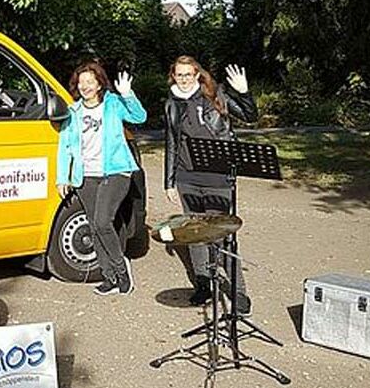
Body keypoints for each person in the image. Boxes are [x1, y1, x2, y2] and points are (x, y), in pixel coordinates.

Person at [162, 56, 258, 312]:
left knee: (222, 236)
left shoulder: (216, 95)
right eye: (178, 75)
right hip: (187, 178)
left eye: (188, 75)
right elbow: (171, 142)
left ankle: (238, 293)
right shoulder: (171, 104)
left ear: (197, 75)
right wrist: (169, 182)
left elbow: (250, 116)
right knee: (194, 234)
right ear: (174, 77)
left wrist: (244, 92)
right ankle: (203, 286)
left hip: (217, 178)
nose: (183, 80)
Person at [54, 61, 146, 296]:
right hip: (86, 176)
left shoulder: (113, 104)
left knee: (103, 222)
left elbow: (139, 117)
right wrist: (62, 177)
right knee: (95, 227)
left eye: (89, 82)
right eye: (81, 82)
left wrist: (128, 94)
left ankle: (121, 268)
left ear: (99, 84)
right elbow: (64, 145)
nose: (84, 86)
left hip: (115, 171)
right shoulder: (73, 112)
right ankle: (109, 278)